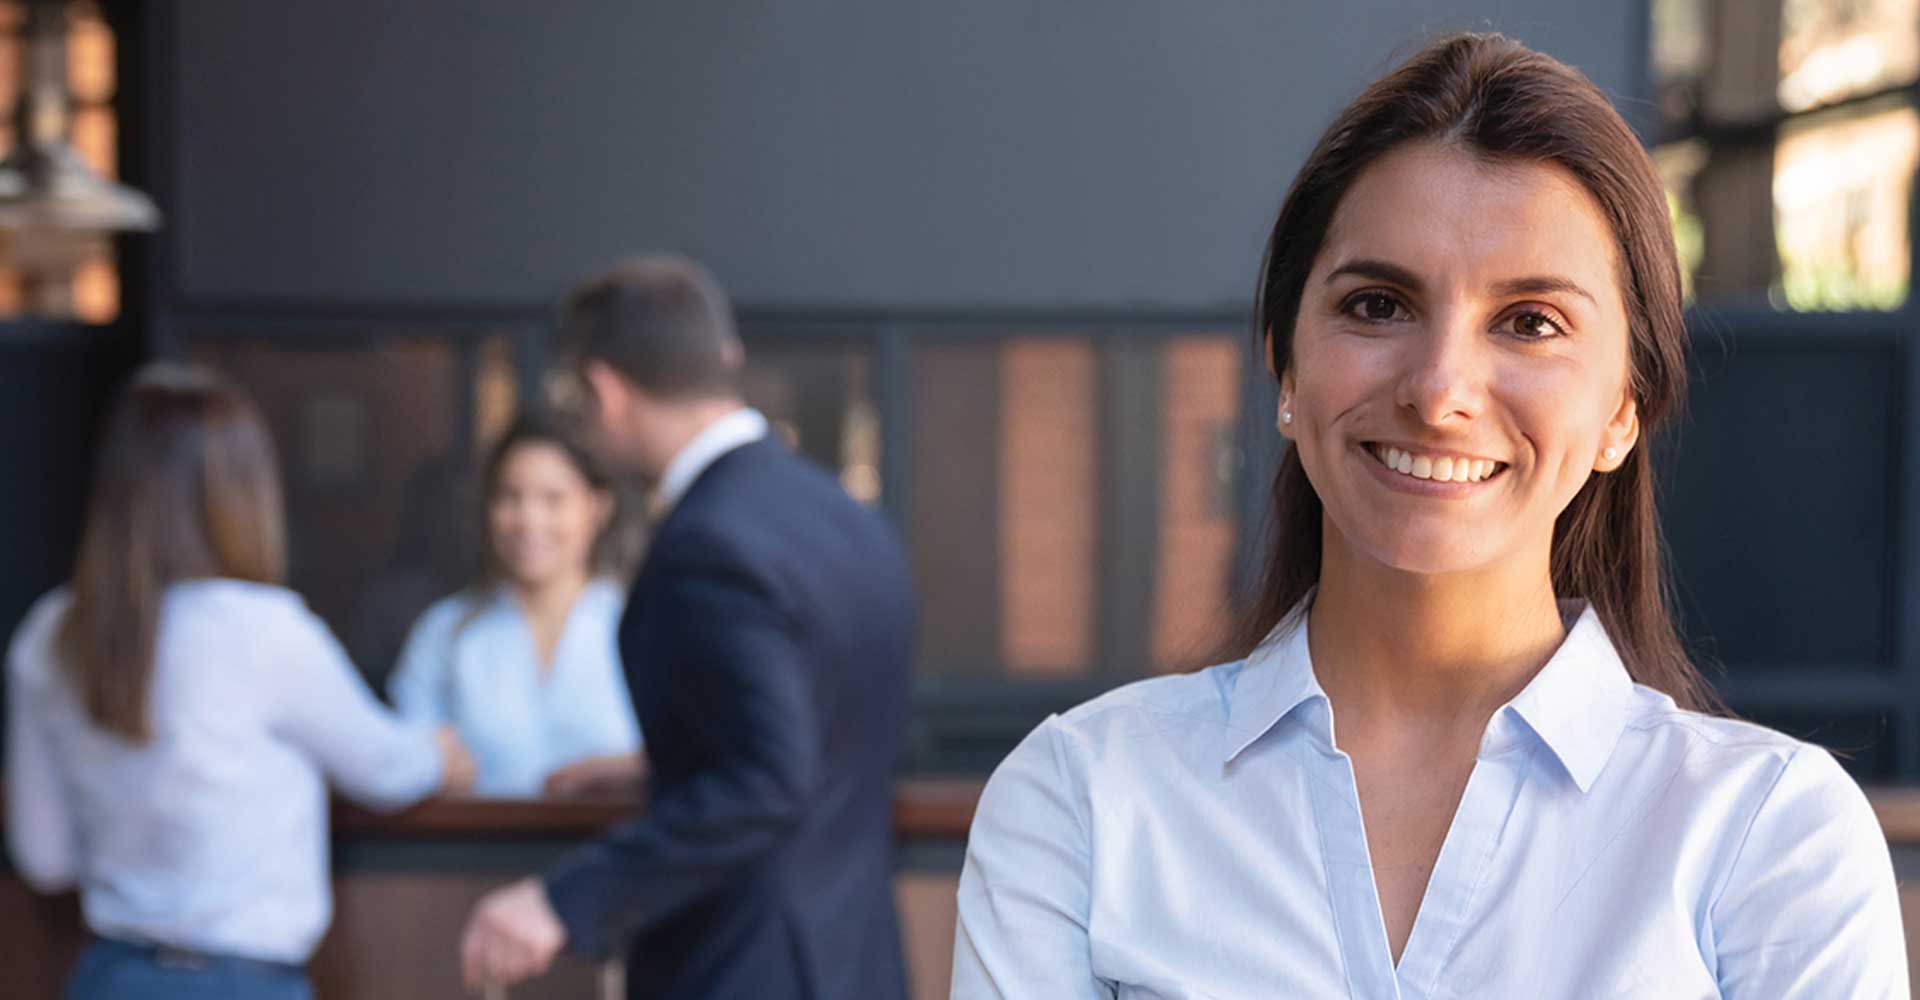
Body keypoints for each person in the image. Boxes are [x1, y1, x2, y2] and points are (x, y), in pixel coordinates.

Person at [952, 33, 1907, 998]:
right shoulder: (1082, 802)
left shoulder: (1768, 838)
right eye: (1377, 305)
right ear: (1286, 365)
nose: (1440, 388)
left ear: (1624, 409)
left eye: (1531, 322)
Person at [457, 256, 916, 999]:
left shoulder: (706, 543)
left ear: (603, 390)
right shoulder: (849, 519)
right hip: (855, 962)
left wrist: (562, 899)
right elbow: (824, 738)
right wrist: (668, 761)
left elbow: (767, 784)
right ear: (720, 362)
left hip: (741, 966)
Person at [5, 362, 476, 1000]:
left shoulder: (49, 633)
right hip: (241, 983)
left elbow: (46, 857)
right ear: (241, 491)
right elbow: (386, 770)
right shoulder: (260, 630)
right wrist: (437, 755)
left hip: (106, 979)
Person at [387, 412, 645, 797]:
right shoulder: (445, 633)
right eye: (509, 498)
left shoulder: (643, 624)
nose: (528, 520)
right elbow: (406, 758)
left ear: (598, 507)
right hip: (474, 854)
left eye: (553, 500)